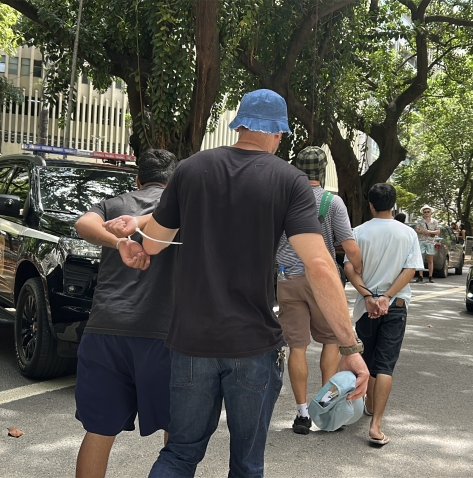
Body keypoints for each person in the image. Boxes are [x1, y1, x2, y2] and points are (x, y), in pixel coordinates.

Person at [103, 89, 369, 477]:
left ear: (240, 125)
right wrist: (349, 346)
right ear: (278, 133)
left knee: (179, 454)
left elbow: (155, 244)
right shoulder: (290, 181)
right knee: (247, 464)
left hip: (191, 343)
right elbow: (320, 266)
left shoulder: (190, 169)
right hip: (252, 345)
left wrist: (134, 234)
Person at [72, 149, 179, 478]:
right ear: (174, 179)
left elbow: (83, 224)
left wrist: (119, 242)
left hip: (105, 329)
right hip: (164, 336)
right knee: (177, 435)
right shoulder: (181, 208)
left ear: (137, 179)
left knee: (98, 431)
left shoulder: (114, 205)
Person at [275, 145, 362, 435]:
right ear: (323, 170)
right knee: (331, 342)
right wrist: (359, 267)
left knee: (297, 347)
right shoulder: (332, 203)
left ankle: (301, 414)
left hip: (288, 278)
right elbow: (349, 246)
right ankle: (327, 408)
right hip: (321, 281)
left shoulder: (282, 199)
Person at [344, 183, 423, 446]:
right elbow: (410, 270)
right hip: (395, 304)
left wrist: (369, 296)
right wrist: (386, 297)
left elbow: (349, 268)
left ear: (370, 204)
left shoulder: (357, 232)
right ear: (393, 204)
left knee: (366, 360)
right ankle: (376, 425)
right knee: (385, 364)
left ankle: (367, 403)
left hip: (366, 307)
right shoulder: (408, 233)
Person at [414, 205, 440, 283]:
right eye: (425, 212)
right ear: (423, 213)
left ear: (430, 212)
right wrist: (423, 232)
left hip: (430, 241)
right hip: (421, 240)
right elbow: (416, 230)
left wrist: (429, 232)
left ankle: (430, 276)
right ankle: (420, 276)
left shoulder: (434, 221)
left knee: (430, 260)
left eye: (428, 212)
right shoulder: (420, 221)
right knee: (421, 259)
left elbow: (438, 231)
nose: (426, 213)